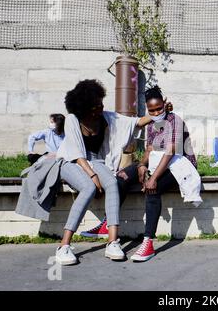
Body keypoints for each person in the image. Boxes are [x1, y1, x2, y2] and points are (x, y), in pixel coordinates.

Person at [54, 79, 158, 265]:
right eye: (97, 104)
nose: (101, 106)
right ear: (85, 108)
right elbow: (77, 154)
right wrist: (93, 176)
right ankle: (64, 245)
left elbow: (136, 123)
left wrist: (160, 112)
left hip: (95, 159)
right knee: (87, 188)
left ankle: (112, 242)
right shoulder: (73, 120)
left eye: (101, 101)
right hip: (70, 160)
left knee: (111, 183)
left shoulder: (106, 118)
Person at [117, 85, 200, 262]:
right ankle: (109, 224)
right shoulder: (152, 124)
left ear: (165, 103)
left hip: (178, 164)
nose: (155, 113)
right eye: (151, 110)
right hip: (157, 160)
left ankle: (148, 243)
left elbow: (171, 151)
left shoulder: (174, 120)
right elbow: (149, 148)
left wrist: (153, 178)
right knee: (122, 176)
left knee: (152, 188)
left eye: (158, 108)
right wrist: (141, 165)